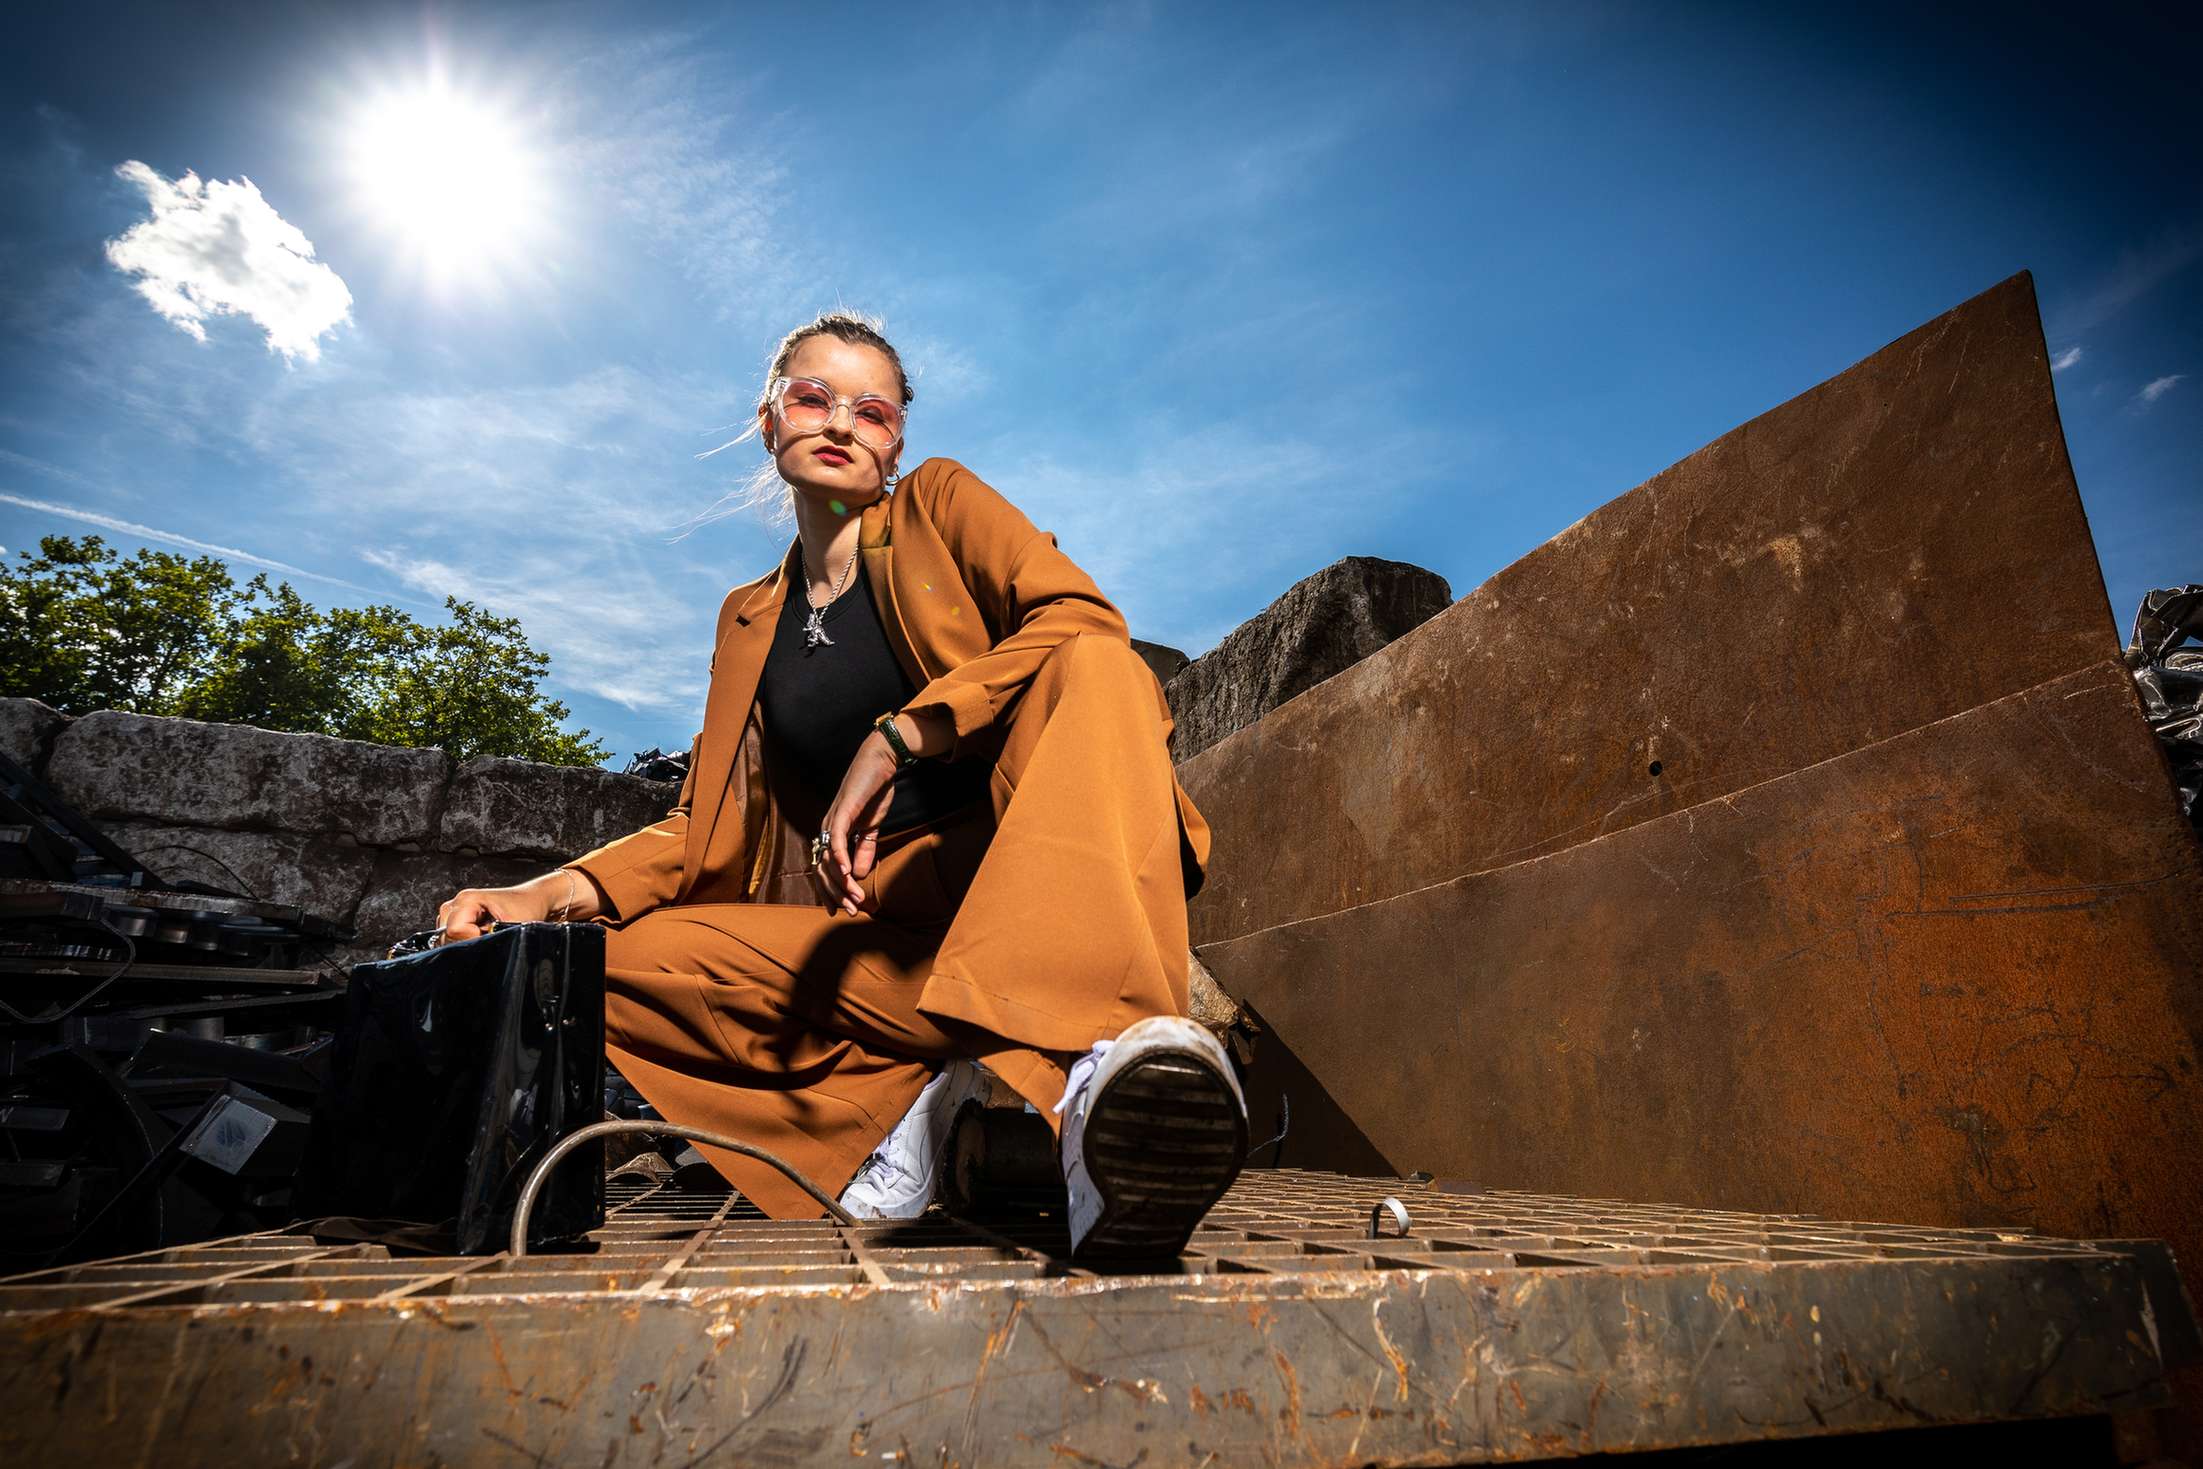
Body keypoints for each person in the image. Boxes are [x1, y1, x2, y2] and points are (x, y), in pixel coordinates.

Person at [434, 312, 1247, 1260]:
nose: (839, 424)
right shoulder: (749, 618)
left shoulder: (938, 507)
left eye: (873, 410)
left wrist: (901, 734)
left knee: (1102, 665)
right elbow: (704, 821)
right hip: (877, 941)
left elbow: (1078, 616)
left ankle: (1092, 1091)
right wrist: (547, 893)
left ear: (897, 440)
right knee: (586, 965)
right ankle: (903, 1110)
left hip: (1025, 883)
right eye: (811, 398)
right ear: (770, 418)